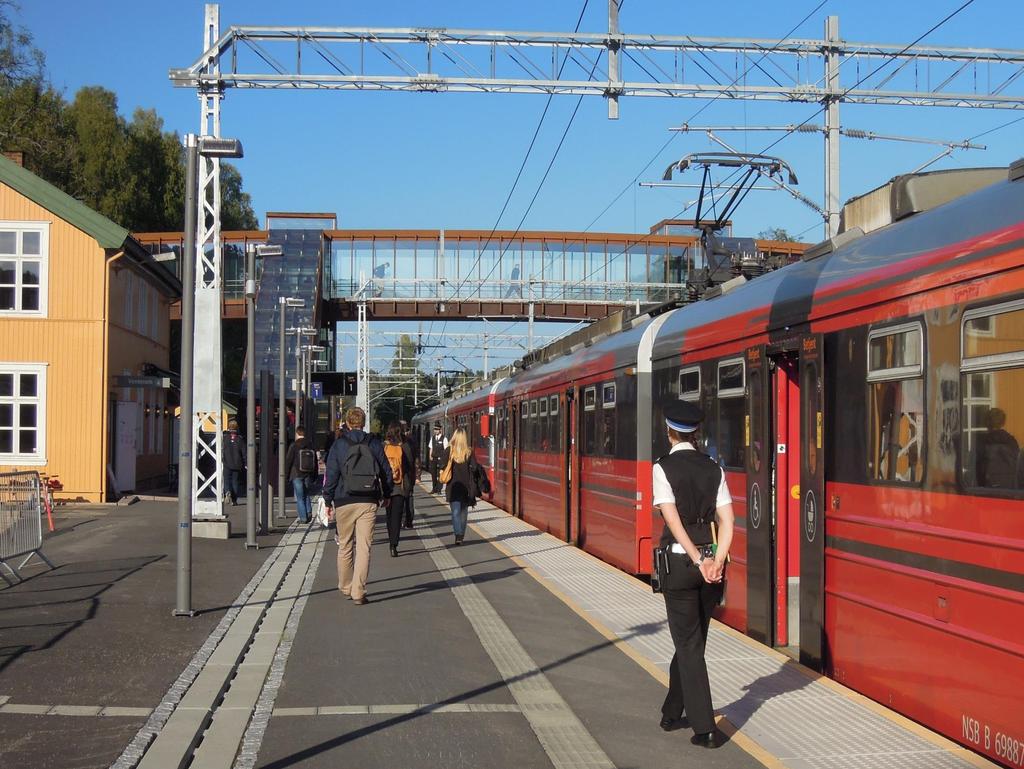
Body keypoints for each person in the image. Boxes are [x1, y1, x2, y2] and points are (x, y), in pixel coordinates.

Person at [653, 401, 734, 749]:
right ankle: (672, 710)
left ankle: (705, 729)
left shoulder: (663, 468)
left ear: (669, 432)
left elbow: (672, 520)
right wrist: (715, 560)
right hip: (713, 567)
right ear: (696, 433)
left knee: (688, 644)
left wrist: (697, 559)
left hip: (681, 564)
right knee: (693, 641)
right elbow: (728, 522)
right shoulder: (714, 468)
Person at [322, 407, 392, 605]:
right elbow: (386, 471)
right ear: (363, 422)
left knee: (345, 545)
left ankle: (345, 586)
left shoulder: (339, 445)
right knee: (364, 547)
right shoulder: (374, 443)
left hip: (343, 499)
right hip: (368, 500)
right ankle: (358, 591)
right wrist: (386, 494)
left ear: (347, 422)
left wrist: (328, 500)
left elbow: (332, 474)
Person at [440, 427, 490, 545]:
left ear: (455, 437)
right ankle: (460, 535)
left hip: (453, 486)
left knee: (456, 512)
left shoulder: (449, 450)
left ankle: (458, 535)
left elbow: (442, 465)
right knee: (463, 512)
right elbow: (474, 467)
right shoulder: (469, 452)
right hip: (467, 487)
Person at [383, 421, 415, 556]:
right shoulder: (405, 446)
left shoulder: (384, 447)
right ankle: (393, 544)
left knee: (389, 515)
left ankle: (391, 538)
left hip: (387, 486)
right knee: (397, 515)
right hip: (400, 486)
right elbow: (410, 466)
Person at [976, 406, 1020, 488]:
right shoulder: (1011, 441)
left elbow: (976, 471)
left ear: (986, 423)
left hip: (987, 490)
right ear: (1003, 422)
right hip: (1009, 490)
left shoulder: (981, 442)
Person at [285, 426, 317, 523]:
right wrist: (315, 475)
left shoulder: (294, 445)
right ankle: (309, 511)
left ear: (297, 433)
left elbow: (288, 461)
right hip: (307, 473)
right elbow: (314, 461)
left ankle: (303, 518)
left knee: (299, 496)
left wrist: (286, 476)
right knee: (306, 493)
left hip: (296, 473)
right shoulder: (310, 445)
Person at [223, 419, 245, 506]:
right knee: (235, 481)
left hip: (227, 462)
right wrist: (245, 463)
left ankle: (227, 491)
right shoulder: (240, 439)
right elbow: (244, 452)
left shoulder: (225, 438)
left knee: (226, 480)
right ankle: (234, 500)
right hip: (237, 464)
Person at [401, 420, 418, 529]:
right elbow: (415, 460)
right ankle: (409, 520)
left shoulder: (393, 443)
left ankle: (402, 520)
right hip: (409, 474)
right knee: (409, 497)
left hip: (399, 476)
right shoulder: (411, 442)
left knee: (400, 498)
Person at [428, 424, 448, 493]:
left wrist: (444, 459)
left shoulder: (444, 439)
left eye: (437, 429)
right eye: (434, 429)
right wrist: (430, 455)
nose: (435, 431)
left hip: (441, 459)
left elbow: (446, 450)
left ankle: (439, 489)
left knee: (440, 474)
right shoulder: (432, 438)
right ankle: (434, 488)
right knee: (433, 474)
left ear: (440, 430)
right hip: (434, 458)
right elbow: (431, 448)